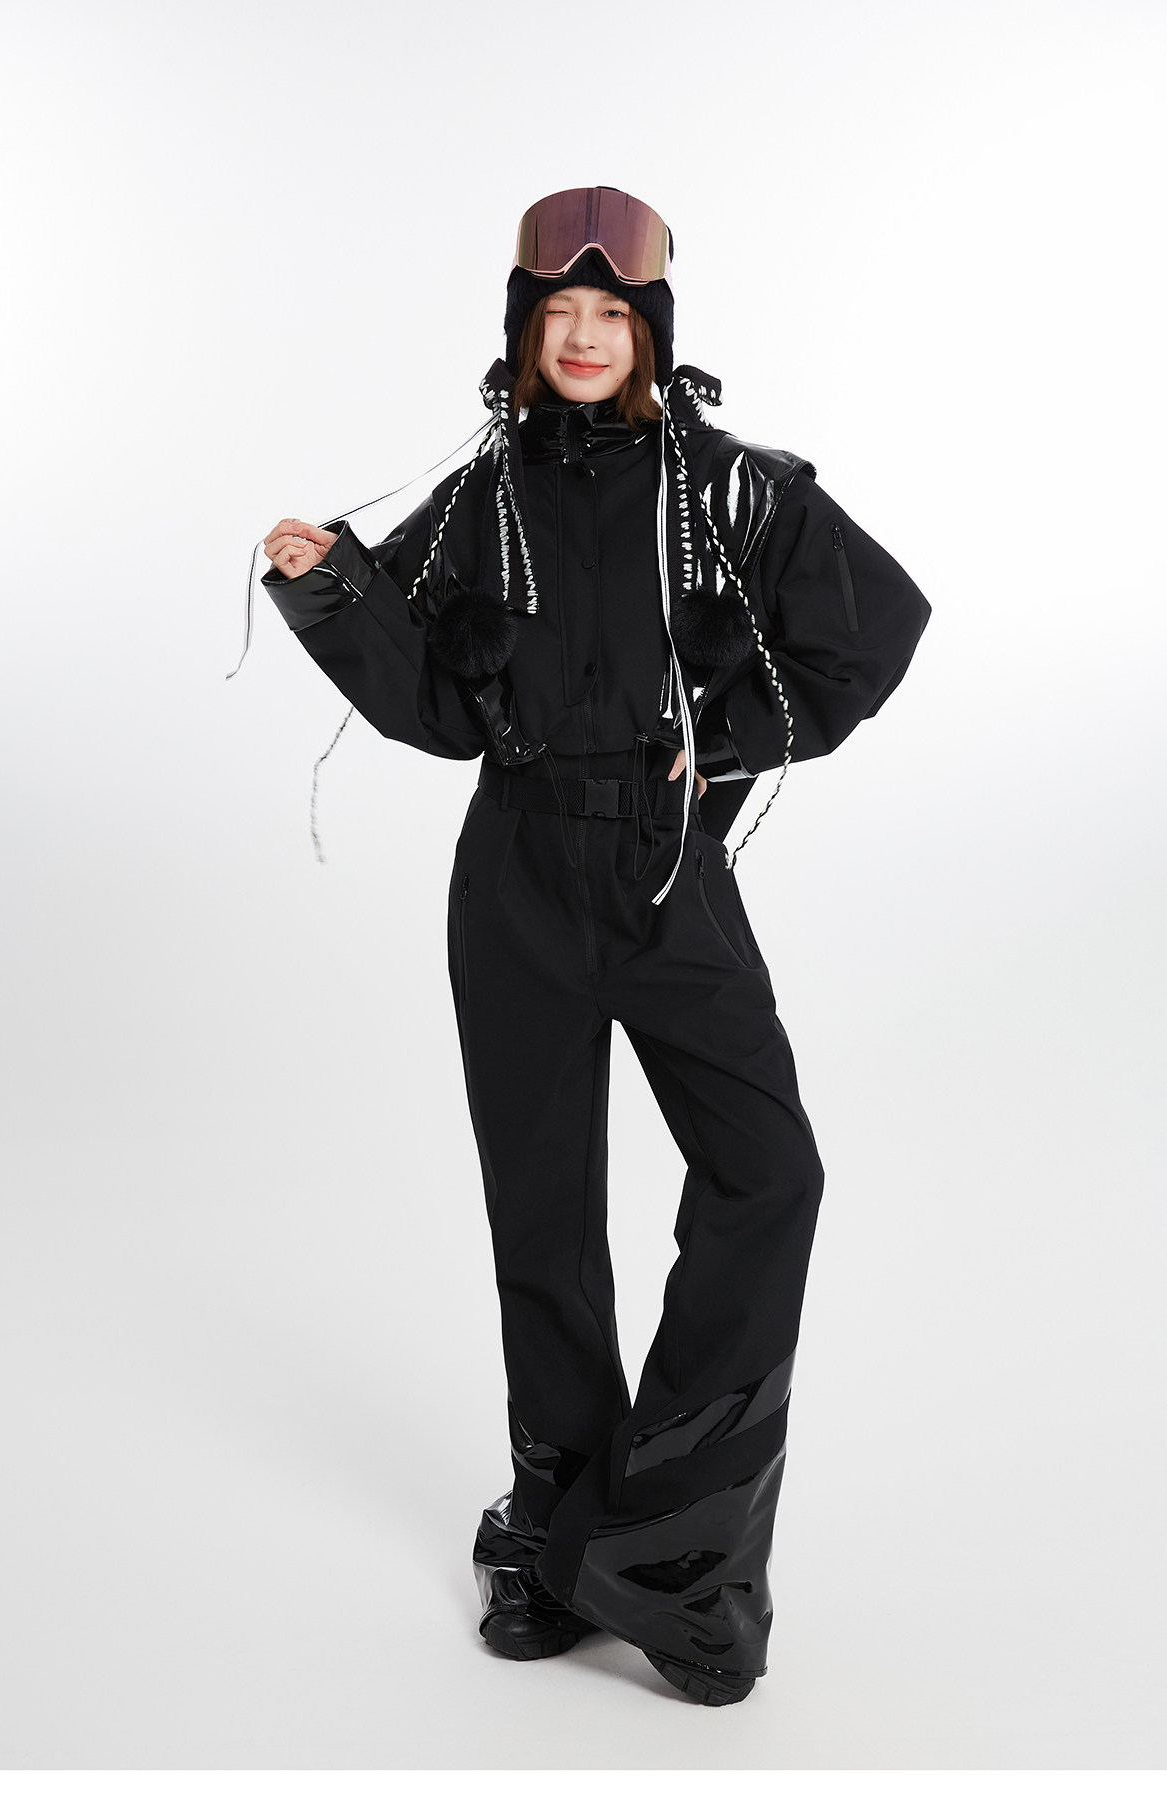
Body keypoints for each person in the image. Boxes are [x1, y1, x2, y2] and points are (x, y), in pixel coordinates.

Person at [259, 186, 932, 1706]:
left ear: (650, 330)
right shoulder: (484, 498)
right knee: (544, 1218)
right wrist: (331, 589)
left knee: (770, 1174)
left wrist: (725, 737)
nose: (579, 335)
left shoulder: (733, 490)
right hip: (513, 875)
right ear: (524, 327)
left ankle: (666, 1538)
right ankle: (555, 1516)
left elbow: (876, 627)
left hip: (665, 873)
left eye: (608, 312)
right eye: (556, 312)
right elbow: (438, 710)